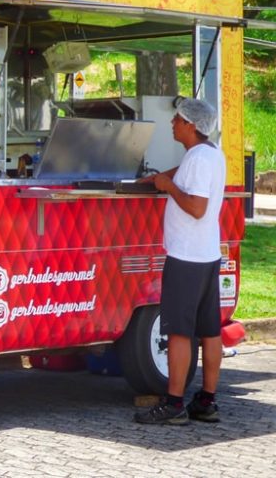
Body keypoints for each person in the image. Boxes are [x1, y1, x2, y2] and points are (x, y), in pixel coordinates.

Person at [134, 98, 226, 425]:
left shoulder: (198, 160)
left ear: (191, 125)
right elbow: (187, 175)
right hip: (207, 254)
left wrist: (168, 186)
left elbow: (197, 207)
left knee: (178, 332)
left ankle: (174, 404)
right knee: (210, 330)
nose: (172, 123)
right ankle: (207, 400)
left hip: (187, 257)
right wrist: (160, 178)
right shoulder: (209, 154)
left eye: (177, 119)